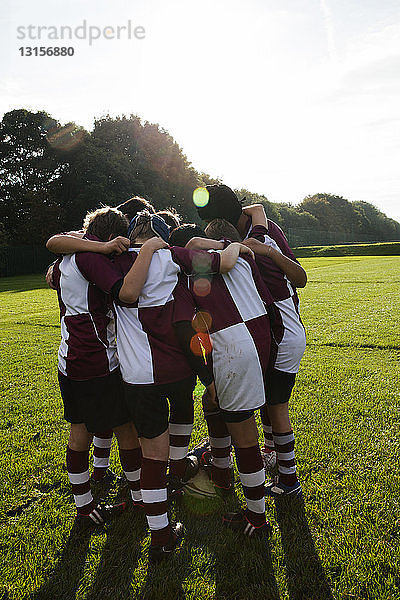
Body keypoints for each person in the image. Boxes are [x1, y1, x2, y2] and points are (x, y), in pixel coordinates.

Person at [111, 210, 250, 560]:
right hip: (176, 368)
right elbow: (225, 263)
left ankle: (160, 535)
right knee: (182, 415)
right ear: (164, 234)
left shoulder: (108, 260)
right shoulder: (172, 255)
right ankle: (177, 475)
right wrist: (234, 246)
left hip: (137, 375)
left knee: (151, 455)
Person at [46, 207, 166, 527]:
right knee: (125, 429)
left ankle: (84, 508)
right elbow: (124, 293)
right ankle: (141, 498)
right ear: (114, 236)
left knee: (80, 429)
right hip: (97, 360)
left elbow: (54, 254)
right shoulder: (92, 259)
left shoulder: (66, 258)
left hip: (68, 357)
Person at [194, 184, 307, 497]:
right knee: (270, 405)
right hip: (284, 330)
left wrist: (265, 251)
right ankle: (273, 459)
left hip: (281, 333)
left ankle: (288, 480)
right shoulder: (263, 228)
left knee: (276, 407)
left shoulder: (251, 242)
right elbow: (256, 209)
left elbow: (300, 278)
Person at [171, 222, 275, 538]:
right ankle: (222, 473)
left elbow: (186, 330)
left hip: (233, 349)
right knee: (214, 404)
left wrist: (208, 377)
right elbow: (268, 303)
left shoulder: (182, 273)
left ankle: (256, 519)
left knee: (244, 434)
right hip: (263, 339)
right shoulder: (239, 255)